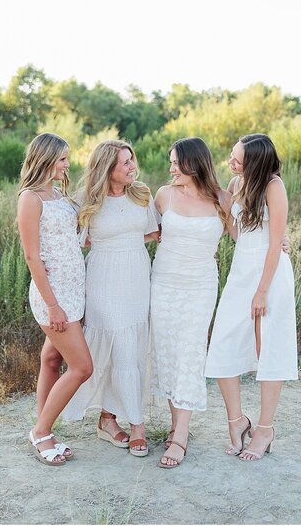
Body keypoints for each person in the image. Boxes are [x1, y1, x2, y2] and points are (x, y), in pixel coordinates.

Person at [63, 140, 159, 457]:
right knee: (116, 347)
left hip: (137, 277)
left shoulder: (141, 194)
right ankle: (136, 426)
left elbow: (154, 232)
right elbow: (74, 242)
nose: (133, 167)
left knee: (131, 349)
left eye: (132, 160)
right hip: (103, 279)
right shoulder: (86, 200)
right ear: (107, 168)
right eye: (125, 163)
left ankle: (108, 418)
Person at [205, 133, 298, 461]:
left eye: (237, 158)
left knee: (268, 348)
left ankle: (264, 429)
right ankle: (236, 421)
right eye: (232, 155)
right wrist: (223, 205)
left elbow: (275, 243)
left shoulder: (274, 186)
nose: (231, 161)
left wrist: (262, 291)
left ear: (255, 161)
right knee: (222, 342)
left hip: (270, 274)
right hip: (241, 271)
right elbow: (237, 234)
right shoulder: (236, 183)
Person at [150, 137, 233, 468]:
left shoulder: (222, 199)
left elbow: (245, 236)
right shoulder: (163, 195)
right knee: (167, 351)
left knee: (190, 351)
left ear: (194, 163)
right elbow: (145, 230)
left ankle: (181, 435)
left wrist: (278, 241)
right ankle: (175, 425)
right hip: (164, 283)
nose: (171, 168)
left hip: (200, 286)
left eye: (176, 162)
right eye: (170, 162)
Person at [17, 133, 93, 466]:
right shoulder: (30, 198)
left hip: (73, 292)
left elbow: (72, 241)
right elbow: (32, 256)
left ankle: (42, 428)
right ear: (46, 159)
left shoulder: (60, 195)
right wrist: (52, 306)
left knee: (51, 360)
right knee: (82, 367)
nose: (67, 164)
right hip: (53, 296)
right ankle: (41, 432)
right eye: (62, 158)